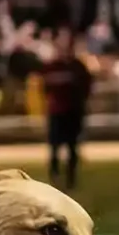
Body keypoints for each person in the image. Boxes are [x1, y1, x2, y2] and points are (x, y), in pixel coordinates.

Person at [38, 28, 92, 187]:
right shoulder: (51, 66)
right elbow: (44, 88)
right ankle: (54, 176)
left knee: (72, 146)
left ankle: (71, 178)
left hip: (73, 111)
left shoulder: (78, 67)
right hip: (57, 112)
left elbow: (87, 86)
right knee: (54, 147)